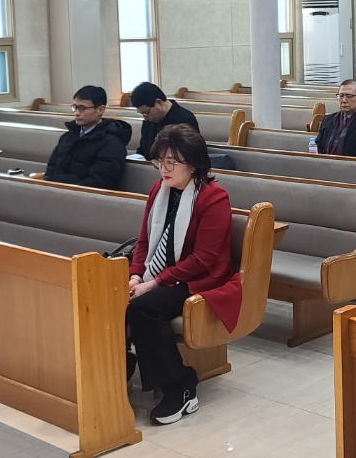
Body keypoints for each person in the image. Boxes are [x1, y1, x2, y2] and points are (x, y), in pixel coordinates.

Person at [128, 126, 238, 424]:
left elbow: (204, 258)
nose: (163, 169)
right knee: (113, 293)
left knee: (144, 309)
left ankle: (181, 386)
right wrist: (136, 275)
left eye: (172, 163)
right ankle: (122, 366)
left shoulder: (214, 198)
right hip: (161, 270)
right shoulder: (159, 190)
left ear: (193, 164)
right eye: (159, 161)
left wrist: (154, 283)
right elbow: (144, 241)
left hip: (200, 278)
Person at [43, 85, 132, 189]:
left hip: (84, 196)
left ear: (100, 110)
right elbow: (51, 168)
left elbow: (99, 182)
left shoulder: (111, 144)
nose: (76, 113)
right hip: (57, 192)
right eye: (75, 107)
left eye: (82, 108)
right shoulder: (67, 137)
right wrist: (47, 186)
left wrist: (63, 192)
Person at [314, 79, 356, 157]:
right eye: (341, 96)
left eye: (349, 96)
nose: (344, 100)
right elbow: (317, 146)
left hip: (351, 164)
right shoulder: (328, 120)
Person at [131, 82, 199, 159]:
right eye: (142, 114)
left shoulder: (185, 120)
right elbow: (143, 150)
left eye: (146, 113)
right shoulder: (149, 121)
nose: (145, 118)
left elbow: (188, 156)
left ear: (159, 102)